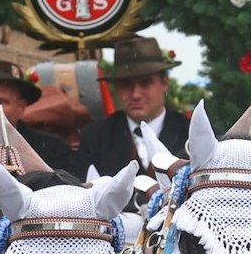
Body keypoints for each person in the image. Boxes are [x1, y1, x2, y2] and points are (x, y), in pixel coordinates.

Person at [72, 37, 192, 175]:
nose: (135, 94)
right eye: (126, 84)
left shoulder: (191, 134)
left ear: (164, 83)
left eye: (145, 83)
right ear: (116, 87)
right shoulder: (95, 137)